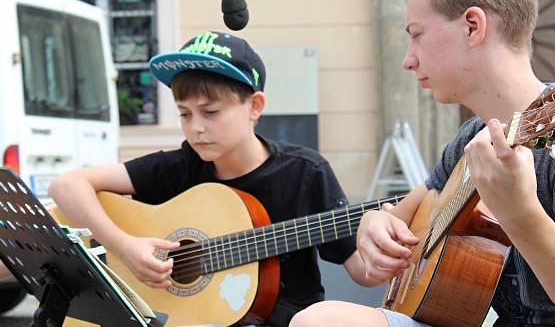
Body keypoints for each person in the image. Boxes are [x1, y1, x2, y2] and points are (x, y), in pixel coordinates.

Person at [289, 0, 555, 326]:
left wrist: (519, 212)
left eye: (416, 35)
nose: (408, 60)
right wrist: (375, 224)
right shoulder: (473, 138)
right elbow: (403, 214)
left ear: (472, 27)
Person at [48, 30, 377, 327]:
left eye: (211, 112)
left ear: (254, 106)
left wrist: (393, 247)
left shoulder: (305, 172)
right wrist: (126, 246)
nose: (196, 128)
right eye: (184, 113)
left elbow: (362, 271)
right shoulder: (180, 166)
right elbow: (66, 185)